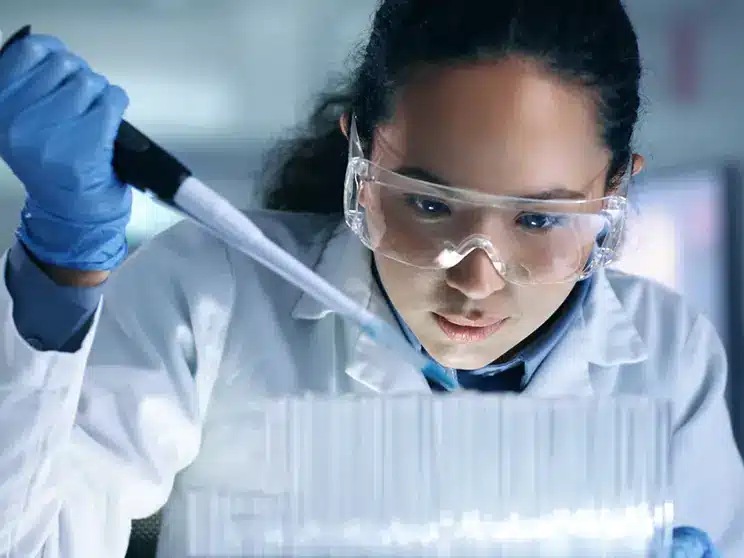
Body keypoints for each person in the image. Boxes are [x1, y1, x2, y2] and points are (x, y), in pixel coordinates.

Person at [0, 0, 739, 556]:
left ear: (615, 189)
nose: (476, 281)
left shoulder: (668, 354)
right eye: (427, 203)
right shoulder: (210, 297)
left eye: (538, 221)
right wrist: (61, 273)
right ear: (359, 153)